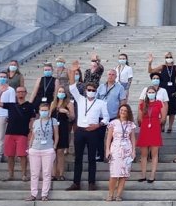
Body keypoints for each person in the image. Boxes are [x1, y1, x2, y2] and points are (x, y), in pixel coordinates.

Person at [66, 60, 109, 191]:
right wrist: (73, 71)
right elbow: (72, 88)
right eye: (89, 90)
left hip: (93, 131)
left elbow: (106, 118)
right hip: (80, 131)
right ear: (85, 90)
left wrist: (98, 125)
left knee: (91, 158)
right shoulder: (80, 99)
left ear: (96, 91)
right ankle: (76, 183)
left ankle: (91, 182)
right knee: (78, 158)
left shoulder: (101, 103)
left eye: (93, 90)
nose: (90, 91)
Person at [0, 84, 32, 180]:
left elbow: (32, 119)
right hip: (10, 133)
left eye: (22, 91)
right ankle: (10, 174)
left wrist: (31, 132)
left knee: (23, 155)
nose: (20, 93)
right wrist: (1, 92)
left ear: (26, 93)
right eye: (18, 91)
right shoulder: (11, 105)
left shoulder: (30, 106)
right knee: (10, 155)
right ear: (16, 93)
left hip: (23, 133)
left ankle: (24, 174)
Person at [25, 103, 58, 201]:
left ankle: (44, 194)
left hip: (48, 149)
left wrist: (54, 146)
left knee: (47, 173)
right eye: (42, 110)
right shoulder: (36, 122)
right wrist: (30, 147)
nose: (44, 112)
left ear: (49, 111)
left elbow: (56, 134)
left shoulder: (53, 121)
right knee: (34, 173)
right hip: (35, 149)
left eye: (46, 110)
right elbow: (33, 135)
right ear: (39, 111)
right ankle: (33, 194)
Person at [105, 104, 136, 201]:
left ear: (128, 113)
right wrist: (107, 150)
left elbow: (133, 138)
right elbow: (109, 138)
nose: (123, 112)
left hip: (127, 149)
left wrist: (133, 150)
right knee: (114, 174)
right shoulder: (113, 123)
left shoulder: (130, 124)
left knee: (124, 174)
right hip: (116, 149)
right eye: (121, 110)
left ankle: (118, 195)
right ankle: (110, 194)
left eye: (125, 111)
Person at [96, 69, 127, 161]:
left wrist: (121, 115)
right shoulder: (101, 87)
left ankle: (112, 155)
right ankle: (100, 155)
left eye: (113, 74)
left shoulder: (120, 88)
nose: (111, 76)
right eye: (109, 74)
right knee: (99, 136)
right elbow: (95, 99)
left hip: (113, 116)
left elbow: (122, 101)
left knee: (113, 137)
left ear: (116, 76)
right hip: (101, 116)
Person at [147, 52, 176, 133]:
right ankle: (162, 125)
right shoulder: (162, 67)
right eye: (167, 57)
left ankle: (170, 127)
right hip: (163, 89)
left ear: (173, 57)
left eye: (170, 57)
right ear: (165, 58)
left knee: (172, 109)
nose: (169, 58)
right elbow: (150, 71)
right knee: (162, 107)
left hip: (172, 89)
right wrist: (150, 63)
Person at [137, 87, 165, 183]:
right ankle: (143, 174)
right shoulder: (142, 104)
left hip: (155, 128)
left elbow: (163, 117)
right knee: (144, 154)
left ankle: (152, 174)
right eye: (149, 92)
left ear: (155, 93)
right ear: (146, 93)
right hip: (145, 128)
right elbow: (140, 118)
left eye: (152, 92)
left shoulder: (159, 103)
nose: (151, 93)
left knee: (154, 153)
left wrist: (156, 123)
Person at [50, 86, 74, 181]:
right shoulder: (53, 103)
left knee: (60, 151)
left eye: (62, 91)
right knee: (53, 151)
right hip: (53, 128)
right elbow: (49, 115)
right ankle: (53, 173)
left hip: (63, 128)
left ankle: (61, 173)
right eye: (59, 91)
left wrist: (67, 112)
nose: (61, 93)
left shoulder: (68, 103)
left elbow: (72, 117)